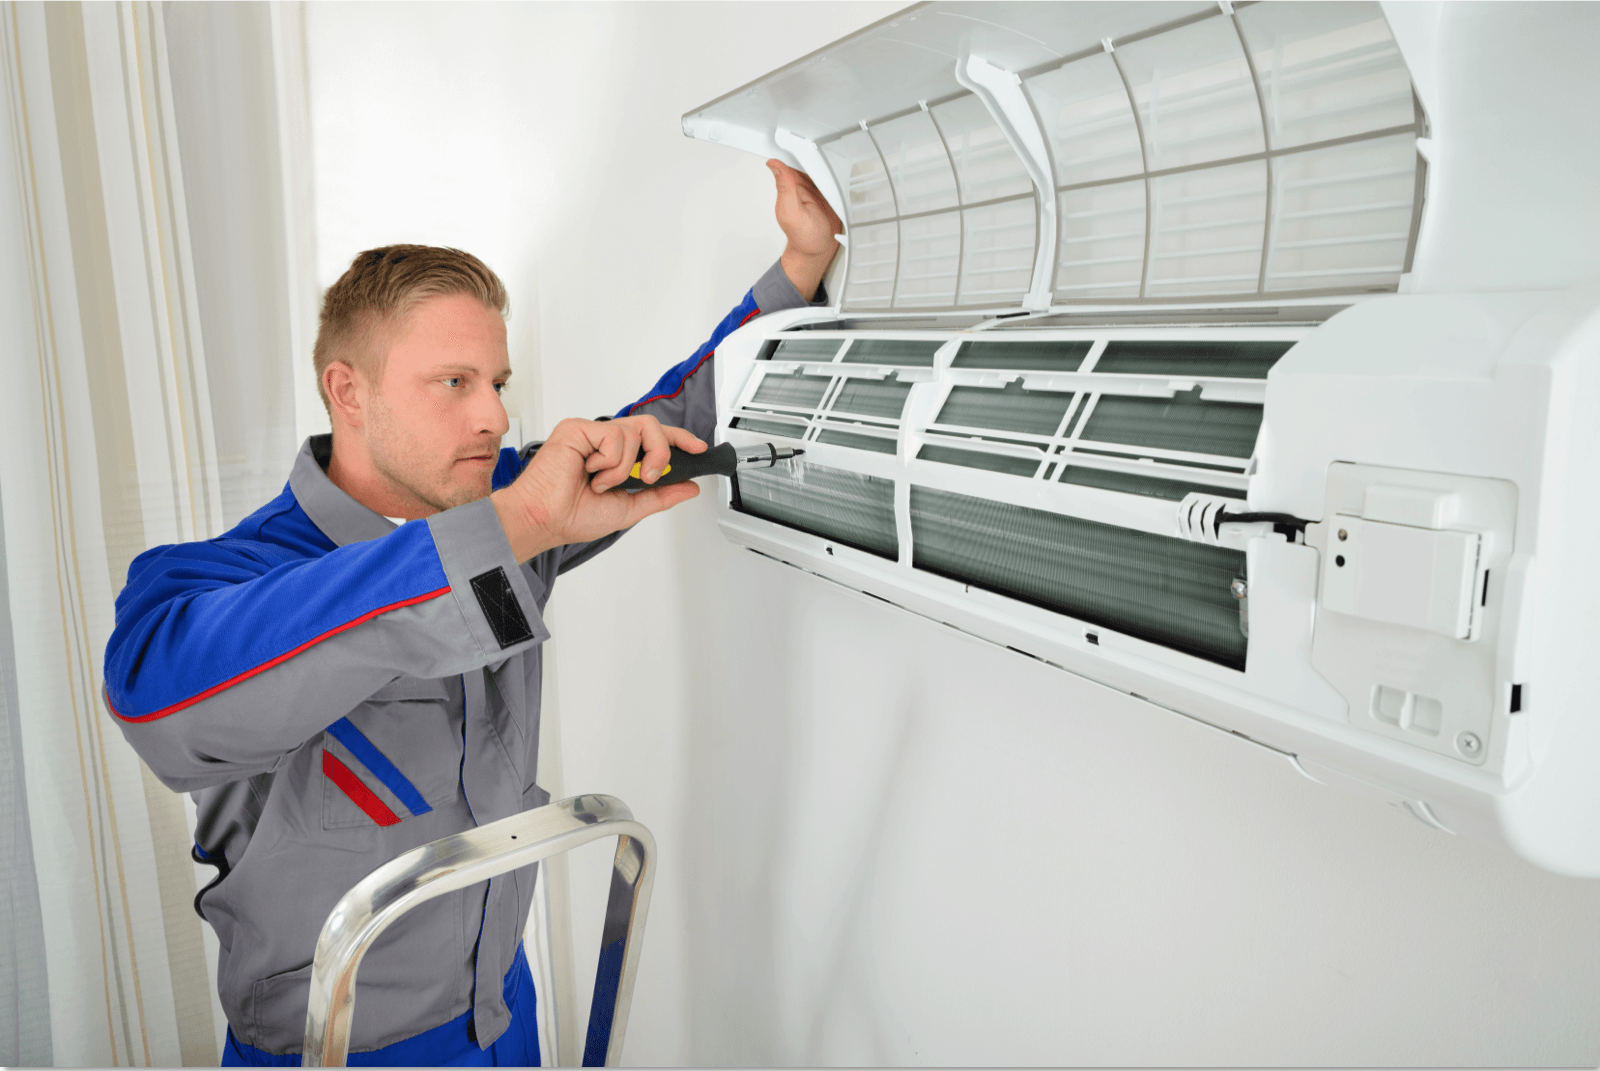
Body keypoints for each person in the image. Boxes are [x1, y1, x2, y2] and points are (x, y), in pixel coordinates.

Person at [103, 160, 841, 1066]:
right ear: (348, 391)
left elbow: (668, 416)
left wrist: (798, 268)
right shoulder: (222, 579)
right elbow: (156, 703)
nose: (494, 414)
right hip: (335, 1049)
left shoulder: (497, 508)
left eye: (497, 380)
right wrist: (519, 520)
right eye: (454, 382)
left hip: (505, 1020)